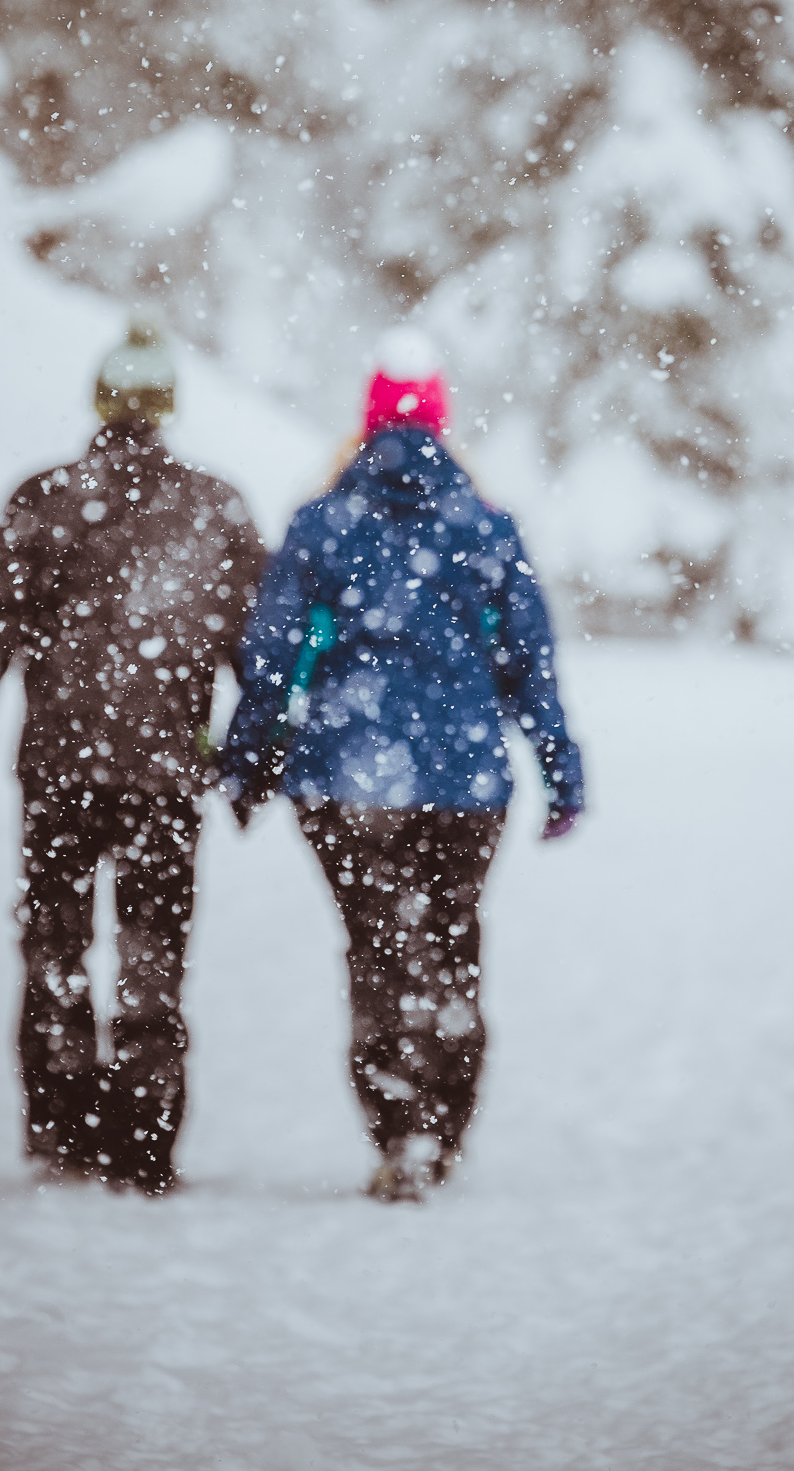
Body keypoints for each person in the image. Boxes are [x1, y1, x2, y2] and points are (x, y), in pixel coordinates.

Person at [220, 330, 584, 1202]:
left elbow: (271, 657)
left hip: (346, 775)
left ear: (367, 422)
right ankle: (443, 1126)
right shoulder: (488, 528)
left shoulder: (321, 522)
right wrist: (560, 770)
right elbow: (529, 662)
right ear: (442, 425)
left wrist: (248, 762)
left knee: (376, 949)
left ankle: (396, 1131)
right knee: (452, 944)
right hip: (465, 782)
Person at [0, 313, 263, 1195]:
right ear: (169, 405)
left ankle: (65, 1129)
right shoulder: (213, 506)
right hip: (163, 771)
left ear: (99, 400)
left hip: (59, 768)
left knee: (55, 949)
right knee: (153, 951)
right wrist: (255, 751)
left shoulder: (42, 498)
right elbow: (253, 650)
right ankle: (144, 1142)